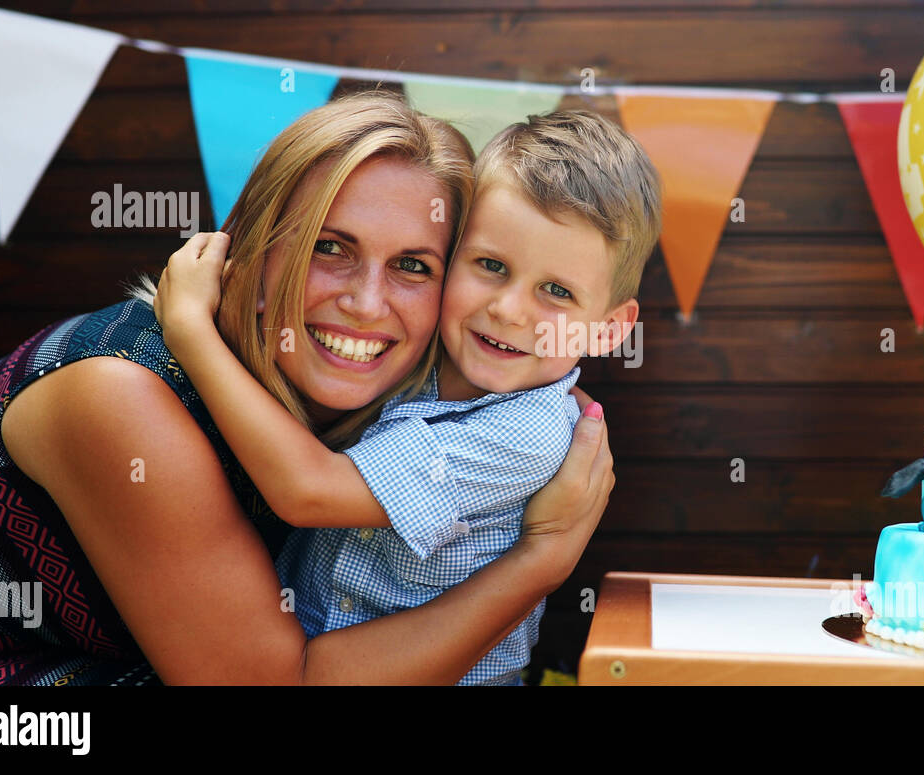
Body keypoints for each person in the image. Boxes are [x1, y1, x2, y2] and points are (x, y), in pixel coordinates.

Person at [0, 91, 614, 686]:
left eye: (412, 265)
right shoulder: (123, 398)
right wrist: (539, 561)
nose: (366, 302)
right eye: (330, 247)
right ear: (255, 250)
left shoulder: (413, 402)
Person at [154, 111, 661, 684]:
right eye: (491, 265)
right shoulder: (421, 356)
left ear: (609, 330)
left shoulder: (530, 434)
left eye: (556, 291)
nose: (508, 310)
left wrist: (191, 334)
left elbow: (308, 493)